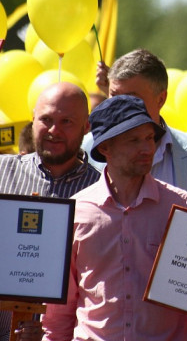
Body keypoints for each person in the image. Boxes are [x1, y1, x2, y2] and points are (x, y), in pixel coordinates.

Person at [42, 95, 187, 340]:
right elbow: (59, 311)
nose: (147, 148)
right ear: (104, 148)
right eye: (133, 140)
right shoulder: (77, 210)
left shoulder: (182, 206)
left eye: (150, 138)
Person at [90, 49, 187, 340]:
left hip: (182, 328)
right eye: (113, 97)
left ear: (161, 99)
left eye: (133, 99)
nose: (122, 107)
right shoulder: (89, 152)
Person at [0, 83, 100, 341]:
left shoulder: (100, 192)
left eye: (67, 121)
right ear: (32, 119)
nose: (54, 131)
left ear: (86, 127)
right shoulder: (2, 172)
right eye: (46, 119)